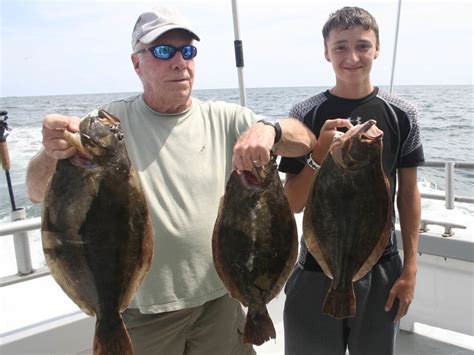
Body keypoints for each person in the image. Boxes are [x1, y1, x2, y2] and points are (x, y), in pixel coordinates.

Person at [25, 7, 345, 355]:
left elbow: (306, 141)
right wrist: (50, 153)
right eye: (163, 51)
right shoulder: (107, 126)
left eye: (187, 51)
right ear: (137, 64)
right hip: (142, 311)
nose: (179, 62)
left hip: (221, 301)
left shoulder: (228, 119)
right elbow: (36, 190)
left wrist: (271, 128)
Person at [279, 6, 424, 355]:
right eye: (341, 46)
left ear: (377, 49)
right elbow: (292, 203)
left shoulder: (403, 113)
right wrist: (319, 153)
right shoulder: (305, 114)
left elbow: (408, 194)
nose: (352, 56)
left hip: (381, 268)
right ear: (326, 52)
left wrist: (410, 270)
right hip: (315, 268)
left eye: (362, 45)